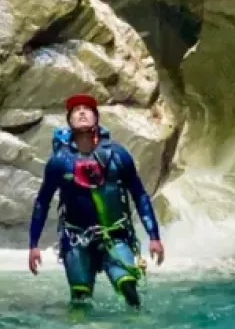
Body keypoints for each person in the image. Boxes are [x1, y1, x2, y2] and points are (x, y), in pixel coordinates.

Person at [27, 93, 165, 309]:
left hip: (115, 235)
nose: (81, 112)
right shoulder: (59, 162)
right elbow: (42, 202)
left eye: (87, 109)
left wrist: (154, 237)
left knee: (129, 289)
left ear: (97, 118)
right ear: (69, 121)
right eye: (75, 111)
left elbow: (139, 194)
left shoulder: (118, 156)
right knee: (80, 300)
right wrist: (33, 245)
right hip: (76, 240)